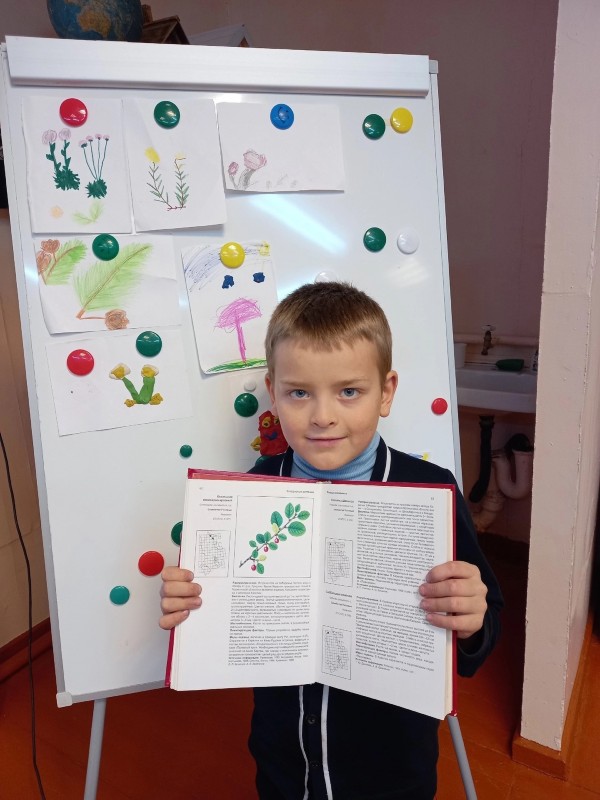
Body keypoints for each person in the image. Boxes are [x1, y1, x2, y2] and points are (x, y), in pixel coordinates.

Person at [160, 281, 503, 799]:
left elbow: (484, 623)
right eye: (299, 393)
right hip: (284, 763)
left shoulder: (430, 493)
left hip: (392, 773)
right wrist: (191, 600)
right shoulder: (254, 488)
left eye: (349, 391)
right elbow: (226, 608)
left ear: (386, 392)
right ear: (274, 392)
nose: (322, 416)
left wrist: (473, 620)